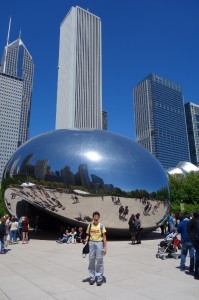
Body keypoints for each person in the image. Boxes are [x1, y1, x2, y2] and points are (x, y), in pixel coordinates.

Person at [85, 211, 107, 286]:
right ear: (93, 217)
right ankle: (92, 277)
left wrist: (105, 247)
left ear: (99, 218)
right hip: (91, 243)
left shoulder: (101, 225)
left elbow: (104, 237)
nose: (96, 217)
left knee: (99, 260)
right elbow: (88, 234)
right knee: (91, 260)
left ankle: (99, 278)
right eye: (95, 216)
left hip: (99, 244)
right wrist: (86, 239)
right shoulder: (90, 225)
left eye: (97, 216)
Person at [187, 211, 199, 280]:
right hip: (196, 240)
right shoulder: (197, 222)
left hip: (193, 240)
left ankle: (196, 273)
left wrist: (192, 237)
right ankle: (196, 273)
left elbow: (188, 231)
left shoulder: (190, 221)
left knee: (196, 254)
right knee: (197, 256)